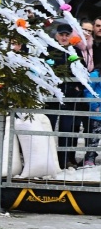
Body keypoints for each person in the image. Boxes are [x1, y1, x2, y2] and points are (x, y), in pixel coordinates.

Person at [47, 23, 86, 169]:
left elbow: (83, 72)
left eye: (66, 35)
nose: (64, 37)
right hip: (51, 96)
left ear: (71, 36)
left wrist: (77, 87)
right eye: (61, 34)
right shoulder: (49, 49)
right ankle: (48, 160)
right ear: (56, 35)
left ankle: (64, 160)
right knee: (48, 128)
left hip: (69, 97)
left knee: (66, 129)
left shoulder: (75, 51)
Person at [84, 69, 101, 167]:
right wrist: (94, 105)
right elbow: (88, 90)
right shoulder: (95, 74)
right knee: (93, 139)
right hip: (98, 113)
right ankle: (89, 159)